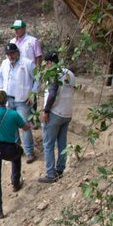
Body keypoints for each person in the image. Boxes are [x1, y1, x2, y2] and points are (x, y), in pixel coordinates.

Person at [0, 90, 31, 217]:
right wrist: (30, 123)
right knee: (18, 154)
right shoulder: (13, 114)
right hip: (9, 148)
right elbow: (25, 127)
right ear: (6, 101)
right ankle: (15, 182)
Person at [0, 42, 38, 163]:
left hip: (22, 100)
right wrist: (1, 88)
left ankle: (29, 152)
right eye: (8, 54)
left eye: (12, 53)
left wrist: (33, 93)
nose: (10, 56)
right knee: (11, 124)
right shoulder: (5, 63)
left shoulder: (28, 63)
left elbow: (38, 78)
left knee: (25, 125)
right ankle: (16, 149)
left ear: (17, 52)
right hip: (8, 99)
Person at [37, 51, 75, 184]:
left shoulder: (53, 73)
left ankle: (50, 174)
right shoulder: (70, 74)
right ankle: (60, 170)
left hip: (55, 113)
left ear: (48, 63)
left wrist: (46, 110)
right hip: (67, 112)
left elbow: (52, 93)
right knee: (62, 143)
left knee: (48, 144)